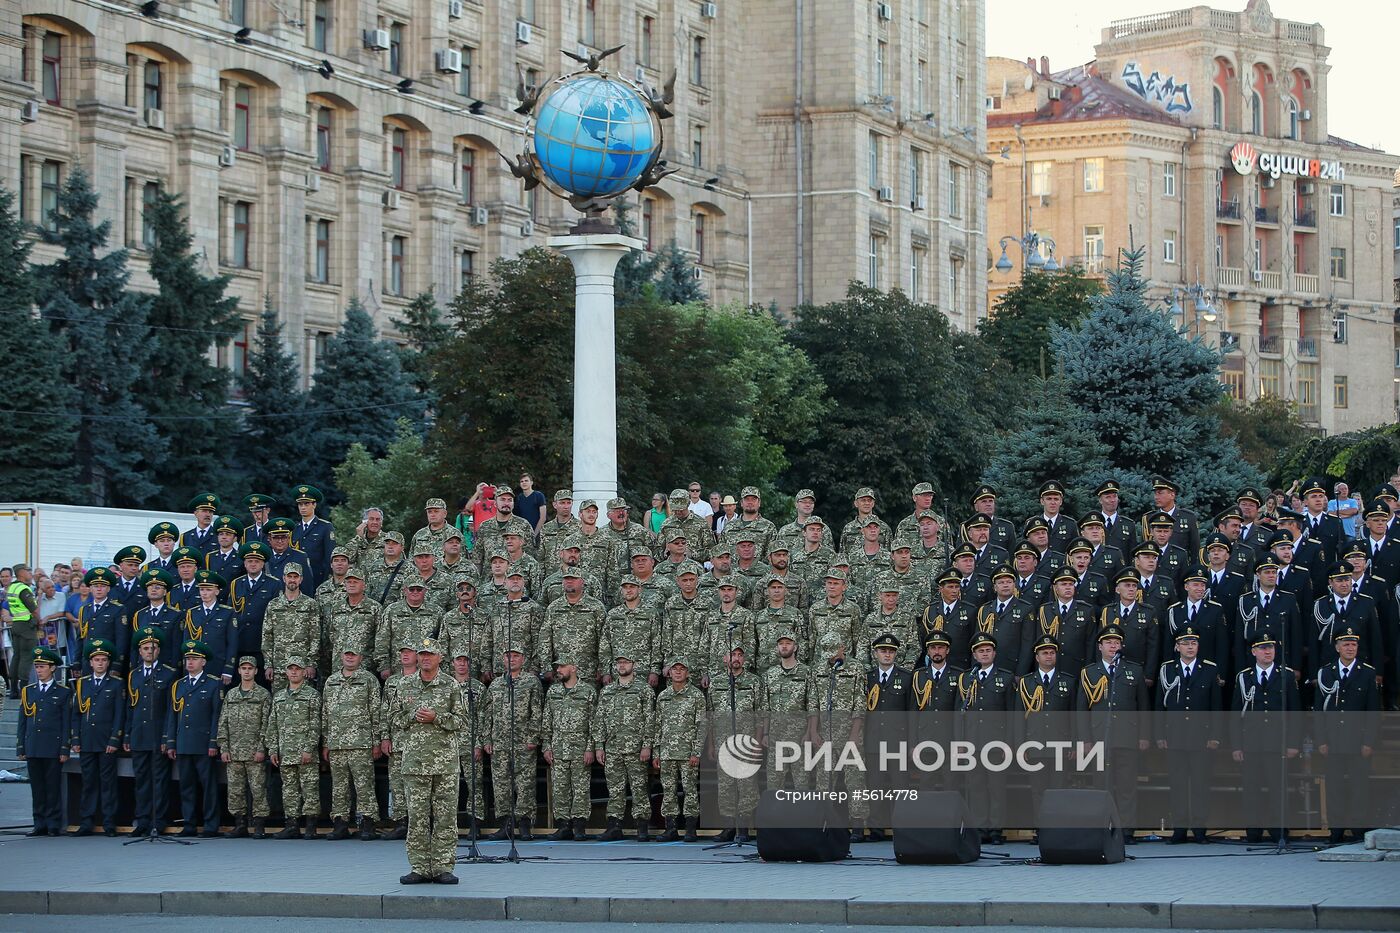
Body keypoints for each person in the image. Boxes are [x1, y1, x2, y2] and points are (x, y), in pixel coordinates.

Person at [393, 638, 464, 884]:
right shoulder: (404, 685)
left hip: (444, 762)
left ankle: (444, 867)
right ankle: (420, 866)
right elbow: (393, 717)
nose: (425, 658)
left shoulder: (451, 685)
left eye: (430, 654)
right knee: (417, 817)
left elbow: (461, 721)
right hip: (415, 762)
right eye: (421, 654)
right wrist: (413, 715)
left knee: (445, 816)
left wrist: (437, 717)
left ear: (439, 658)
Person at [1076, 626, 1149, 843]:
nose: (1113, 645)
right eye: (1108, 642)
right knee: (1101, 785)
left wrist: (1144, 735)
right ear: (1100, 647)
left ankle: (1126, 830)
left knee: (1127, 785)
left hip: (1127, 735)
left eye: (1116, 642)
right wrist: (1085, 739)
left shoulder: (1134, 670)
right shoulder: (1089, 672)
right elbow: (1082, 710)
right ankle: (1103, 826)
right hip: (1100, 737)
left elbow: (1143, 706)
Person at [1231, 633, 1301, 843]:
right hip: (1251, 743)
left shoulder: (1286, 675)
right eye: (1262, 648)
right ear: (1253, 651)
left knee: (1277, 790)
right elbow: (1236, 715)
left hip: (1277, 743)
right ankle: (1253, 832)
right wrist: (1236, 745)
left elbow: (1295, 712)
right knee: (1251, 789)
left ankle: (1279, 832)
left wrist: (1293, 743)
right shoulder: (1244, 677)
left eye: (1270, 647)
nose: (1268, 651)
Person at [1313, 626, 1380, 843]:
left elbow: (1372, 711)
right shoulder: (1326, 672)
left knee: (1359, 786)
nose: (1350, 648)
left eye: (1353, 644)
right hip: (1333, 741)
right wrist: (1321, 740)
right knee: (1334, 787)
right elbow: (1319, 710)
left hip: (1357, 740)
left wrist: (1369, 741)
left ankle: (1359, 830)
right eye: (1346, 644)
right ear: (1337, 647)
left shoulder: (1367, 672)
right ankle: (1336, 830)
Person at [1155, 626, 1220, 844]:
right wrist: (1159, 734)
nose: (1190, 647)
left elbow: (1215, 707)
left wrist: (1215, 736)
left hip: (1201, 737)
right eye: (1185, 643)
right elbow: (1159, 705)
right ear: (1177, 646)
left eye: (1193, 643)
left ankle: (1200, 829)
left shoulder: (1209, 670)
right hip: (1174, 736)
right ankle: (1180, 829)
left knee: (1201, 784)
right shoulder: (1167, 670)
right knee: (1178, 785)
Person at [322, 648, 384, 841]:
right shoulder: (331, 681)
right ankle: (340, 823)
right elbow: (325, 714)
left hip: (361, 742)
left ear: (361, 658)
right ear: (341, 657)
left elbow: (376, 712)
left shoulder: (368, 680)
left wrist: (376, 741)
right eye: (346, 654)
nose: (350, 658)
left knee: (364, 785)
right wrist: (326, 742)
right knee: (339, 787)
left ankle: (368, 823)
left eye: (353, 655)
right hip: (337, 743)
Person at [164, 639, 224, 837]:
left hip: (203, 742)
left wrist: (214, 742)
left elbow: (216, 715)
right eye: (188, 658)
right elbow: (172, 715)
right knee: (186, 786)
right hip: (183, 743)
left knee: (208, 786)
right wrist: (171, 741)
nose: (190, 662)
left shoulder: (213, 684)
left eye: (195, 659)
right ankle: (189, 823)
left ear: (203, 662)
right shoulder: (178, 685)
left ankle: (210, 824)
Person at [484, 644, 543, 840]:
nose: (512, 659)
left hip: (523, 742)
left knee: (525, 784)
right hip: (499, 742)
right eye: (508, 656)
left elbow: (536, 712)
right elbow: (488, 714)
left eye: (516, 656)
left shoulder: (531, 682)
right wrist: (487, 738)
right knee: (501, 784)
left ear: (523, 659)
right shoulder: (496, 684)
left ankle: (525, 823)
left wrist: (533, 737)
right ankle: (505, 824)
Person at [596, 650, 656, 840]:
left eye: (626, 662)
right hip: (613, 748)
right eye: (619, 663)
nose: (622, 666)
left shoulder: (643, 689)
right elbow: (600, 720)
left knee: (639, 787)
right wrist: (599, 745)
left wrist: (647, 745)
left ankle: (642, 825)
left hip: (635, 748)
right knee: (615, 789)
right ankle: (615, 825)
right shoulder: (607, 691)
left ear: (634, 665)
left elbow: (650, 719)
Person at [68, 639, 126, 835]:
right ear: (90, 663)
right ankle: (87, 822)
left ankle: (109, 822)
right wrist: (75, 739)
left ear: (108, 663)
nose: (100, 663)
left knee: (108, 783)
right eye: (96, 660)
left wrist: (114, 740)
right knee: (88, 783)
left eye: (103, 660)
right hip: (87, 741)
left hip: (106, 741)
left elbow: (119, 715)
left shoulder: (116, 684)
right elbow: (76, 714)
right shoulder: (82, 684)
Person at [126, 627, 177, 836]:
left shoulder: (168, 673)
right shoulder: (133, 675)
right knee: (141, 781)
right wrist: (127, 734)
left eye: (153, 648)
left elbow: (170, 710)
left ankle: (159, 820)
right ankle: (143, 819)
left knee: (159, 781)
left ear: (158, 651)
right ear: (139, 651)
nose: (149, 651)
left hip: (158, 736)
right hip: (139, 735)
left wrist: (167, 736)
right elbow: (130, 707)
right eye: (145, 648)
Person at [16, 647, 70, 836]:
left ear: (53, 668)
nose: (39, 670)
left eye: (43, 667)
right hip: (33, 745)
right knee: (37, 788)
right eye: (37, 667)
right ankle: (39, 823)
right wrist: (21, 745)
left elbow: (65, 723)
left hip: (52, 746)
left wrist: (65, 747)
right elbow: (23, 720)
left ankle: (53, 823)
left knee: (52, 787)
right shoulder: (28, 691)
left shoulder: (62, 692)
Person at [267, 657, 323, 839]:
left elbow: (316, 724)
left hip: (305, 752)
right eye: (290, 669)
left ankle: (311, 826)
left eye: (297, 669)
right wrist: (273, 750)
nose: (293, 672)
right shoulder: (279, 697)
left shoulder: (312, 695)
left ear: (303, 672)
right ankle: (291, 825)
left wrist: (309, 748)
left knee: (309, 788)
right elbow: (272, 725)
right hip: (285, 752)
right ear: (286, 672)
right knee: (289, 790)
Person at [542, 658, 597, 840]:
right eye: (558, 667)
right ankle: (563, 825)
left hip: (580, 748)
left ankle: (579, 826)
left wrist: (590, 748)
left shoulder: (587, 691)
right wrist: (547, 746)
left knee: (580, 787)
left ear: (573, 668)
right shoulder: (553, 691)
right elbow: (547, 721)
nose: (558, 670)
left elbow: (594, 723)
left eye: (562, 666)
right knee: (560, 788)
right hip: (558, 747)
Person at [218, 656, 273, 838]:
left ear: (256, 671)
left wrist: (261, 749)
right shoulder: (231, 695)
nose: (247, 671)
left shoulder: (263, 695)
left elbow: (267, 724)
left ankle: (259, 825)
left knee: (258, 789)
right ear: (239, 671)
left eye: (250, 668)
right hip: (233, 751)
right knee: (235, 790)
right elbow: (223, 722)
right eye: (244, 668)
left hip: (253, 751)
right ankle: (239, 823)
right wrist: (224, 748)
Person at [652, 656, 706, 841]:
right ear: (669, 672)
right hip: (667, 752)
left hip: (687, 753)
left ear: (687, 673)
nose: (677, 672)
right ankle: (671, 828)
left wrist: (696, 752)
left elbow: (701, 726)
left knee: (690, 790)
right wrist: (656, 752)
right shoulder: (663, 696)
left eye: (681, 669)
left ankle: (691, 828)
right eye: (674, 669)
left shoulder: (696, 696)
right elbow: (657, 726)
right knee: (668, 790)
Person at [262, 563, 322, 692]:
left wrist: (311, 664)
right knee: (279, 702)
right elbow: (267, 636)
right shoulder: (274, 605)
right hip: (279, 666)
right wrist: (268, 664)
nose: (292, 580)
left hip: (302, 666)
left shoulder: (310, 604)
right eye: (290, 576)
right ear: (284, 578)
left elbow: (315, 636)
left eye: (296, 576)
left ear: (301, 579)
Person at [290, 484, 336, 588]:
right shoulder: (294, 529)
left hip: (318, 578)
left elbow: (330, 555)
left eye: (306, 504)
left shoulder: (325, 527)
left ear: (314, 505)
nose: (303, 507)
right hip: (296, 581)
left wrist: (327, 580)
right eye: (300, 504)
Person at [8, 564, 41, 688]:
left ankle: (13, 689)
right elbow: (34, 610)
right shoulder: (23, 589)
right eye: (28, 571)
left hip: (16, 624)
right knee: (26, 657)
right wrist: (39, 620)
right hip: (27, 625)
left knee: (17, 656)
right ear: (21, 573)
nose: (30, 573)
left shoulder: (12, 587)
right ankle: (24, 687)